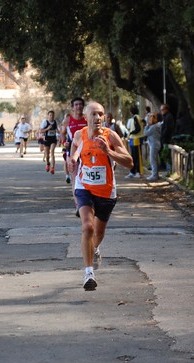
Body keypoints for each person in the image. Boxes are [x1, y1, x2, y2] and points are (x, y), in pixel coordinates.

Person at [66, 101, 133, 290]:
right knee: (87, 227)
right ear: (86, 117)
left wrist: (108, 151)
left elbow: (129, 162)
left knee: (98, 232)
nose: (97, 118)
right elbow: (74, 158)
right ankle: (88, 274)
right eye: (93, 114)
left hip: (106, 191)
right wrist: (72, 167)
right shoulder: (79, 135)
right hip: (84, 188)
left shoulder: (111, 136)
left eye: (101, 114)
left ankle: (94, 248)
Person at [59, 97, 87, 185]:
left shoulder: (87, 119)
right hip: (72, 148)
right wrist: (64, 144)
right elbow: (62, 133)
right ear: (72, 107)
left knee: (85, 174)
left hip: (86, 148)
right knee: (75, 176)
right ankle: (77, 197)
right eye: (76, 105)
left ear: (83, 106)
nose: (78, 106)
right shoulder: (67, 120)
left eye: (80, 104)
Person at [125, 105, 144, 178]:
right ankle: (133, 171)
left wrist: (131, 132)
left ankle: (138, 172)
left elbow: (138, 128)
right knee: (133, 156)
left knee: (137, 156)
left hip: (136, 139)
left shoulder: (136, 118)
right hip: (133, 139)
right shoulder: (135, 118)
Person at [144, 113, 162, 181]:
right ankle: (155, 174)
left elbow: (145, 133)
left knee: (153, 160)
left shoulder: (153, 127)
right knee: (155, 160)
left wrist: (146, 126)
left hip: (154, 144)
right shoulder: (156, 126)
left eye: (149, 119)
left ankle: (154, 175)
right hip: (155, 144)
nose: (148, 121)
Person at [160, 103, 175, 173]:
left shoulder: (168, 117)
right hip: (165, 138)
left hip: (166, 139)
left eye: (162, 110)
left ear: (166, 109)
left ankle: (168, 170)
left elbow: (167, 128)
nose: (161, 111)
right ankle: (167, 169)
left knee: (167, 154)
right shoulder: (166, 117)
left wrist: (163, 136)